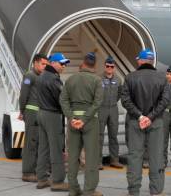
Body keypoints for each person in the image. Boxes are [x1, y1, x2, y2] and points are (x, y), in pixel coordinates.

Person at [121, 49, 169, 196]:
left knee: (135, 156)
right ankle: (156, 191)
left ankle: (134, 191)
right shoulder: (162, 78)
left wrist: (140, 116)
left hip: (136, 122)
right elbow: (165, 101)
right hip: (156, 123)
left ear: (141, 61)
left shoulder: (130, 77)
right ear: (152, 61)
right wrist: (151, 117)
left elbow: (125, 100)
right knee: (156, 156)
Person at [60, 52, 103, 196]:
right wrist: (84, 119)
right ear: (94, 65)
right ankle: (89, 190)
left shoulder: (70, 79)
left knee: (72, 156)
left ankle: (73, 189)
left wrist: (72, 117)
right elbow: (97, 103)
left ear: (82, 64)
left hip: (73, 122)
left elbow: (63, 101)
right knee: (91, 157)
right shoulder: (97, 81)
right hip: (90, 121)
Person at [35, 53, 70, 191]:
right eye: (62, 64)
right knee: (56, 149)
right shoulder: (53, 79)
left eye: (65, 64)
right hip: (52, 115)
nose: (64, 66)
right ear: (53, 63)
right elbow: (61, 100)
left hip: (42, 113)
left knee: (43, 148)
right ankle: (58, 181)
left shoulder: (41, 76)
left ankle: (42, 179)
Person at [19, 53, 48, 182]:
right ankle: (27, 172)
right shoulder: (29, 76)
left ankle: (36, 169)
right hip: (31, 113)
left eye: (46, 64)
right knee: (30, 143)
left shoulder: (40, 77)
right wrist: (22, 110)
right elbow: (23, 95)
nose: (44, 67)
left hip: (39, 113)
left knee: (38, 142)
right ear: (35, 63)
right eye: (42, 64)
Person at [98, 56, 123, 170]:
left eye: (111, 66)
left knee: (113, 135)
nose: (109, 68)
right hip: (101, 109)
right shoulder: (98, 78)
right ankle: (98, 161)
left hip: (113, 109)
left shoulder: (118, 80)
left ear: (114, 68)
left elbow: (119, 94)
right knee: (99, 136)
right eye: (107, 66)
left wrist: (112, 103)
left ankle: (114, 160)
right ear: (105, 66)